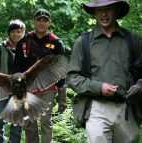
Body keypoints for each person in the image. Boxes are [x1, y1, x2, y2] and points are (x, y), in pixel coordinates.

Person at [67, 0, 142, 142]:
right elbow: (72, 78)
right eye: (99, 10)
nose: (103, 14)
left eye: (108, 9)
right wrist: (98, 87)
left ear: (116, 10)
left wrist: (139, 85)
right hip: (96, 107)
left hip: (127, 107)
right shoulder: (83, 42)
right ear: (95, 12)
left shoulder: (132, 39)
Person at [13, 9, 67, 143]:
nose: (41, 23)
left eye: (45, 20)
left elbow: (62, 69)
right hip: (27, 87)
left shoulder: (56, 43)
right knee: (29, 123)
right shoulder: (24, 42)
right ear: (33, 21)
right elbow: (16, 67)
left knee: (45, 121)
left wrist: (62, 95)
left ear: (49, 23)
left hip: (48, 87)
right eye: (39, 20)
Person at [0, 19, 25, 143]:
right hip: (2, 89)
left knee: (17, 124)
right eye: (13, 31)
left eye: (19, 31)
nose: (16, 34)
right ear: (9, 33)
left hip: (20, 90)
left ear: (23, 32)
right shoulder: (2, 48)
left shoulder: (27, 48)